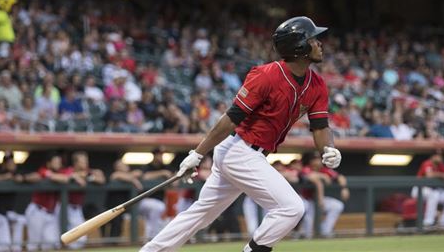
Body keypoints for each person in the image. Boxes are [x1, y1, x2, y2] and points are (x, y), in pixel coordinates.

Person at [140, 16, 342, 252]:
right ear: (299, 47)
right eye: (314, 39)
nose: (320, 44)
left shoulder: (317, 84)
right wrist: (197, 153)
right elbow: (231, 118)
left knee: (201, 213)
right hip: (240, 151)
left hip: (248, 154)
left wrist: (328, 148)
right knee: (291, 208)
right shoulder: (266, 75)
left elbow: (320, 127)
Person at [59, 151, 105, 249]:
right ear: (75, 163)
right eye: (82, 161)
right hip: (62, 208)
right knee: (55, 239)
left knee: (80, 239)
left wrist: (89, 177)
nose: (85, 163)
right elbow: (66, 176)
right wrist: (75, 177)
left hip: (76, 208)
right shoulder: (69, 170)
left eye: (86, 161)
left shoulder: (87, 172)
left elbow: (101, 179)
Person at [299, 152, 349, 239]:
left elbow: (340, 177)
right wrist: (323, 176)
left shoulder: (324, 170)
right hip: (306, 199)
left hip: (317, 200)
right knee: (307, 215)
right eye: (314, 159)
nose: (317, 161)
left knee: (337, 205)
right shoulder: (306, 169)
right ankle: (303, 234)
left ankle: (325, 231)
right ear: (310, 161)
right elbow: (313, 178)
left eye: (318, 159)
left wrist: (344, 188)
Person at [410, 152, 444, 229]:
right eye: (437, 156)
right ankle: (428, 222)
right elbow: (429, 175)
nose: (440, 158)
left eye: (440, 156)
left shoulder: (440, 165)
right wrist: (442, 175)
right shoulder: (427, 163)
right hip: (420, 189)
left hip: (433, 190)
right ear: (432, 157)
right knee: (434, 194)